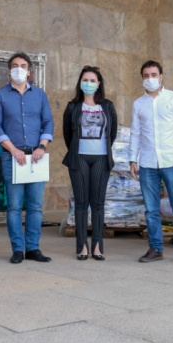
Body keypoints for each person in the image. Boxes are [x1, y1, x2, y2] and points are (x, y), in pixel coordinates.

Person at [128, 60, 173, 265]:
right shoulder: (138, 104)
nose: (150, 79)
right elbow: (135, 134)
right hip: (147, 162)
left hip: (172, 160)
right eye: (146, 75)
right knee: (150, 209)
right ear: (142, 78)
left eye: (154, 74)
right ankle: (155, 248)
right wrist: (133, 159)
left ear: (161, 76)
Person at [0, 52, 54, 264]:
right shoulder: (0, 95)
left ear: (29, 71)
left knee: (35, 206)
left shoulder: (40, 95)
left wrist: (42, 146)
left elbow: (48, 122)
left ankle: (33, 248)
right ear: (10, 70)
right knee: (15, 206)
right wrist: (13, 150)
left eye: (23, 65)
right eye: (15, 65)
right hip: (12, 157)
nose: (19, 69)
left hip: (36, 157)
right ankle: (18, 248)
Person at [62, 66, 118, 261]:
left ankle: (97, 246)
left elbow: (112, 133)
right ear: (80, 83)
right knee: (81, 204)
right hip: (79, 159)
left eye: (93, 80)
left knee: (98, 204)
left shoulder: (108, 106)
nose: (89, 83)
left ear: (99, 83)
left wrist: (101, 149)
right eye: (85, 80)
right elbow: (68, 136)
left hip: (101, 159)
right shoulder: (72, 106)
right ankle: (82, 246)